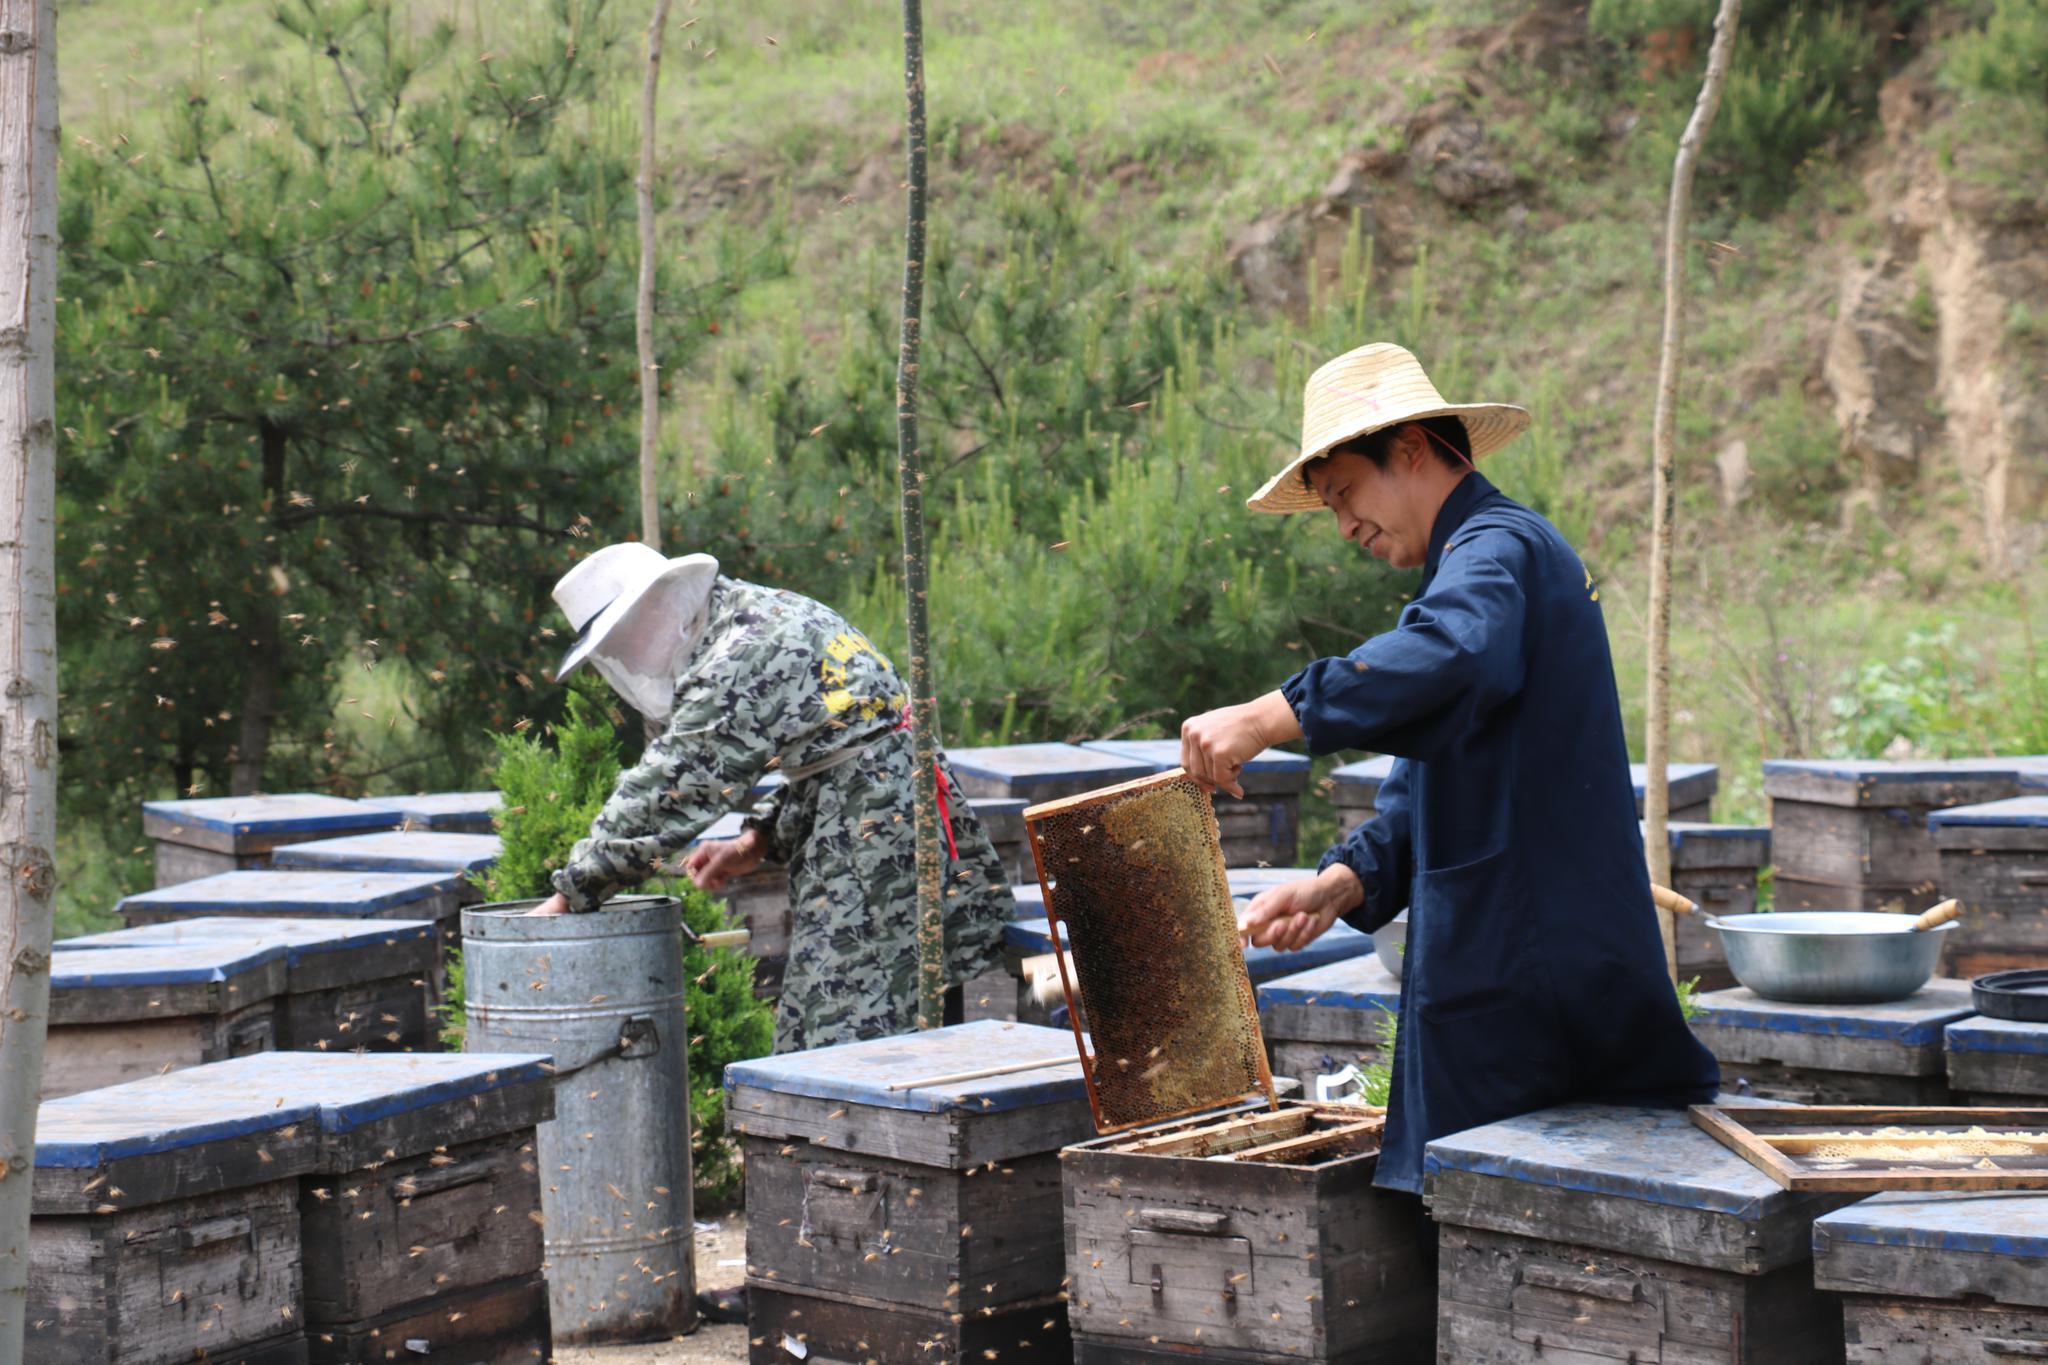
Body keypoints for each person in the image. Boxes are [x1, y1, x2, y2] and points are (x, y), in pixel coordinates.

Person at [1179, 343, 1719, 1225]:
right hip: (1517, 963)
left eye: (1346, 491)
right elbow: (1437, 772)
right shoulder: (1476, 564)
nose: (1345, 523)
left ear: (1415, 451)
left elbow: (1451, 657)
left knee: (1512, 1242)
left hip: (1533, 979)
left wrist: (1272, 713)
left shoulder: (1497, 551)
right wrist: (1346, 879)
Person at [524, 542, 1014, 1057]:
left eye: (621, 640)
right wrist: (757, 839)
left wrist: (570, 893)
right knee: (899, 1015)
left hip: (878, 838)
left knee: (843, 1041)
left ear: (658, 603)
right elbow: (837, 742)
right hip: (885, 812)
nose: (624, 656)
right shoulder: (756, 610)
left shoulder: (737, 652)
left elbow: (670, 785)